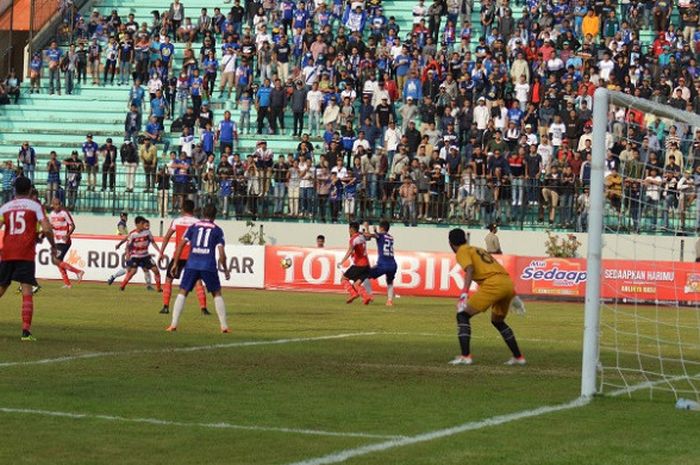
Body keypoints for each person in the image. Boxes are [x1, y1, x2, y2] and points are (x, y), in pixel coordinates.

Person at [447, 228, 526, 366]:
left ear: (451, 243)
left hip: (493, 284)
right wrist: (513, 294)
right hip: (506, 283)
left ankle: (465, 356)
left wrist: (464, 293)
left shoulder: (461, 251)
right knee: (498, 321)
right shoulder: (478, 249)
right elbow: (498, 269)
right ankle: (519, 358)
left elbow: (470, 269)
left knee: (462, 316)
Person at [0, 177, 57, 341]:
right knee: (26, 290)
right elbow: (46, 228)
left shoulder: (6, 207)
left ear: (14, 190)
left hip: (8, 252)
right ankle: (25, 331)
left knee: (2, 287)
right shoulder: (35, 205)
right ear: (30, 190)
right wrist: (53, 245)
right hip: (25, 254)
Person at [166, 204, 230, 333]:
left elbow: (181, 245)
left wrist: (175, 263)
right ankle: (224, 326)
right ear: (214, 216)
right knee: (216, 293)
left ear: (202, 214)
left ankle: (173, 324)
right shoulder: (217, 230)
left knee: (183, 292)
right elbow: (222, 254)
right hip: (208, 264)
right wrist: (226, 269)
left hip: (192, 264)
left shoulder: (193, 227)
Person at [158, 199, 209, 315]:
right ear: (193, 209)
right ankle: (203, 308)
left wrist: (161, 252)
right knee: (197, 281)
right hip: (193, 256)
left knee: (168, 280)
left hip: (178, 255)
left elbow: (166, 237)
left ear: (183, 209)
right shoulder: (197, 222)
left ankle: (165, 306)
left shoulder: (176, 221)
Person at [118, 216, 162, 292]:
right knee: (133, 271)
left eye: (143, 223)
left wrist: (160, 251)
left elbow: (153, 242)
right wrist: (128, 254)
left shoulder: (147, 232)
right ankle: (122, 286)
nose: (143, 225)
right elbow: (128, 246)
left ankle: (159, 288)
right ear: (137, 224)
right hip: (135, 256)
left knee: (156, 270)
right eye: (142, 223)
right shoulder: (133, 234)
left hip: (145, 256)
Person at [49, 197, 85, 288]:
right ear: (52, 205)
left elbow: (73, 226)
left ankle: (78, 272)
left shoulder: (64, 213)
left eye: (59, 204)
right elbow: (51, 226)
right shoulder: (51, 214)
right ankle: (67, 283)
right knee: (58, 262)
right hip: (57, 241)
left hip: (64, 242)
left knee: (56, 260)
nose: (58, 206)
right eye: (56, 204)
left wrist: (67, 235)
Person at [362, 220, 398, 306]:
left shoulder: (380, 235)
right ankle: (389, 301)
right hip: (393, 264)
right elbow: (380, 237)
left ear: (381, 227)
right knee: (389, 282)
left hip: (383, 264)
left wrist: (367, 227)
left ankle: (370, 295)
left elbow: (368, 236)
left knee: (365, 275)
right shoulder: (391, 237)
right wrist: (375, 232)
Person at [337, 221, 372, 305]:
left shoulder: (353, 239)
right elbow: (369, 237)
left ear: (352, 229)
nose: (348, 231)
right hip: (366, 265)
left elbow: (349, 251)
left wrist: (342, 261)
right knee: (357, 284)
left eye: (349, 229)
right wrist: (367, 227)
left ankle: (353, 294)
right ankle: (366, 297)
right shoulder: (362, 236)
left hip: (359, 265)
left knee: (343, 279)